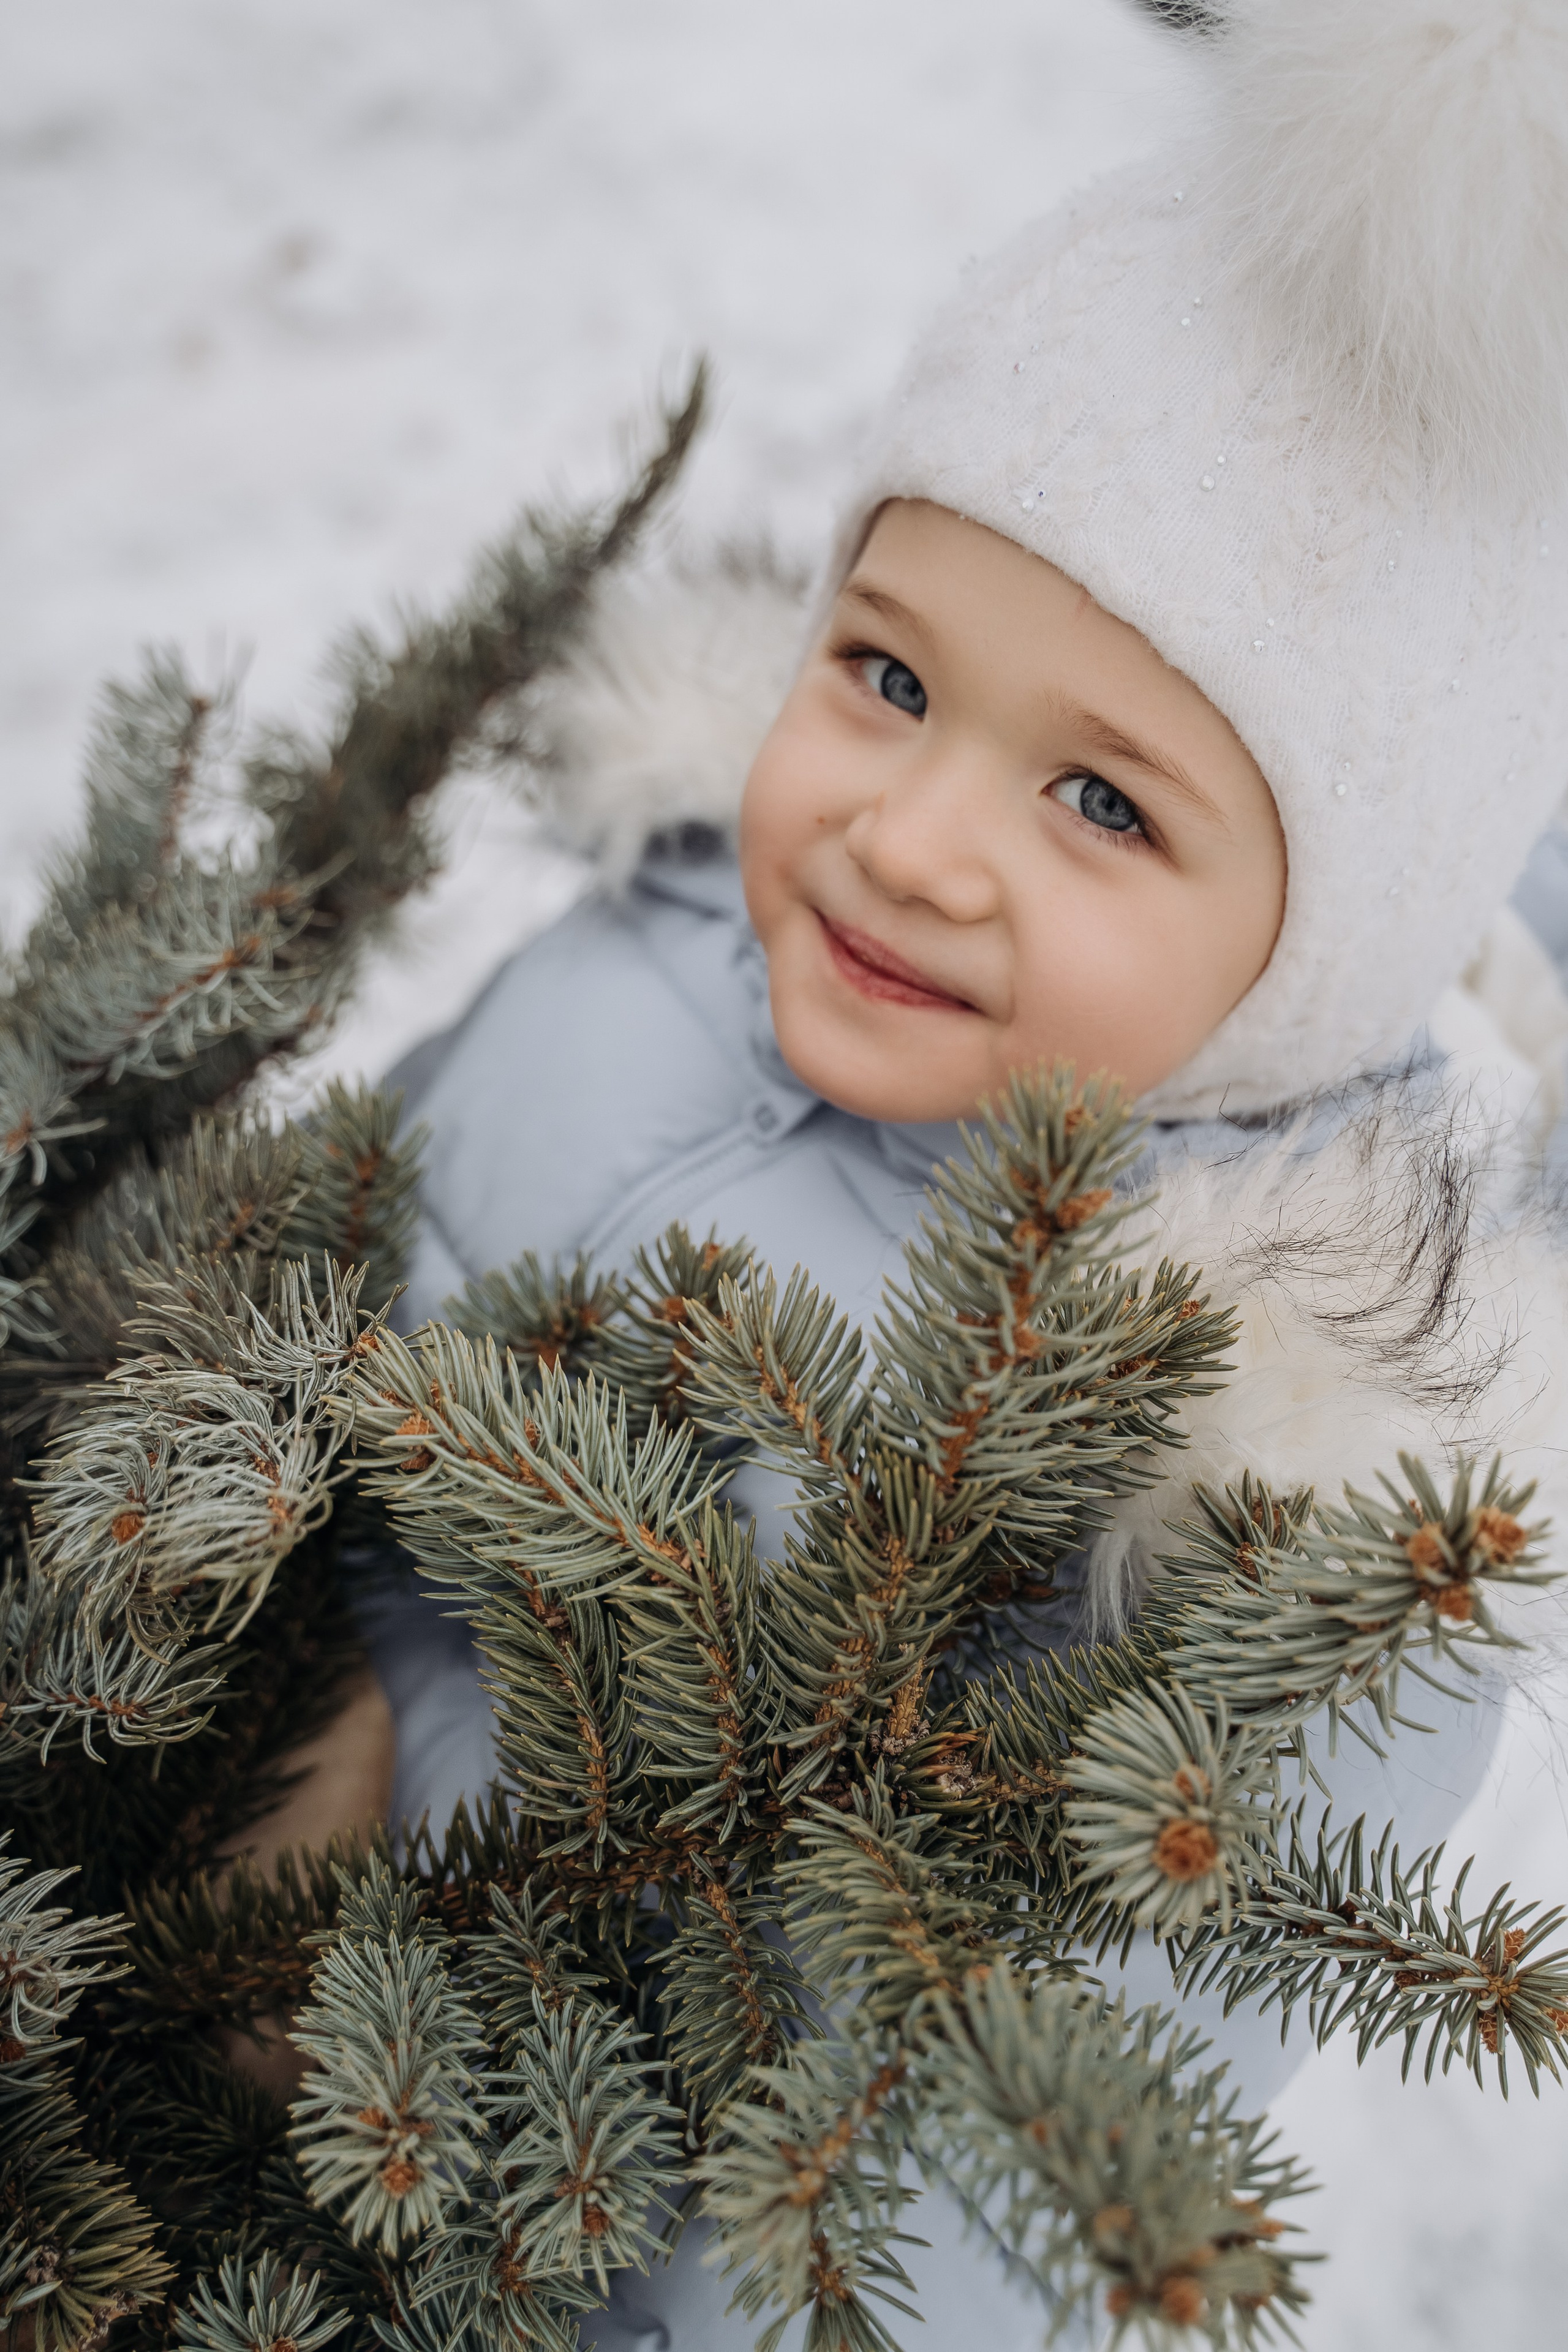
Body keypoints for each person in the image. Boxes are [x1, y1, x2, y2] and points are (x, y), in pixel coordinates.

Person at [303, 1, 1568, 2340]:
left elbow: (956, 2218)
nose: (907, 836)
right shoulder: (665, 938)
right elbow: (270, 1289)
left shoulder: (1263, 1514)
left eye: (1103, 804)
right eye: (887, 675)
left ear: (1324, 949)